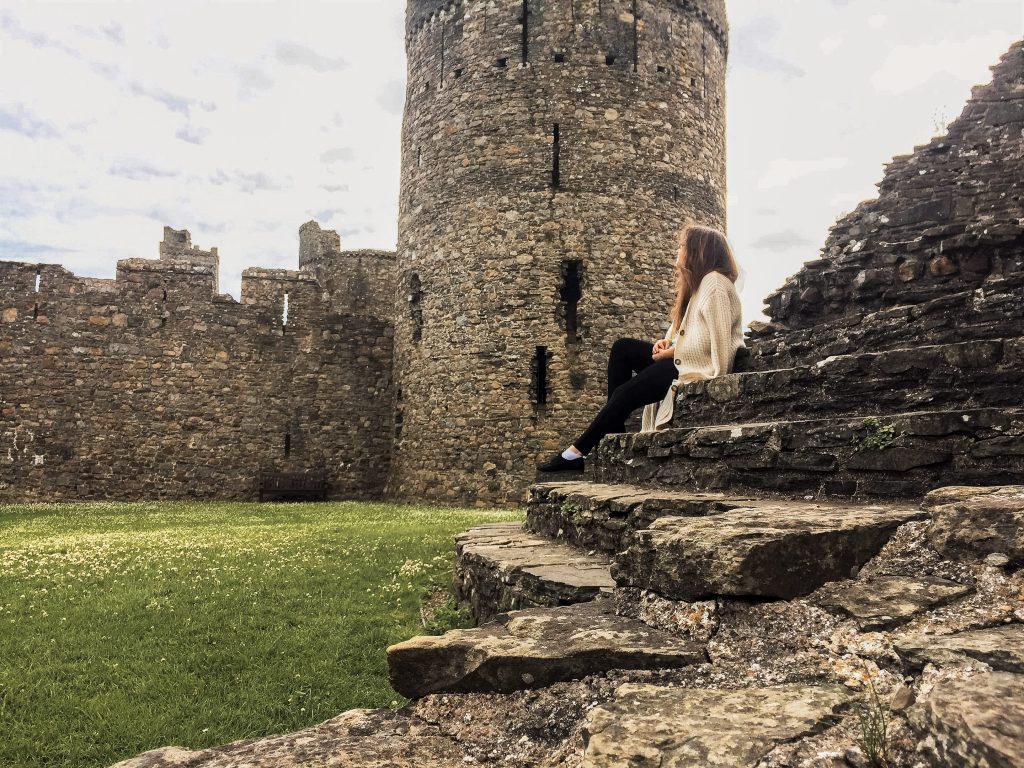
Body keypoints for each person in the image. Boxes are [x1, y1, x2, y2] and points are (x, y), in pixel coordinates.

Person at [538, 223, 744, 473]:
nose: (677, 252)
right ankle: (612, 430)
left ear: (698, 251)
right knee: (623, 349)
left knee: (624, 394)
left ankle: (575, 453)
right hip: (679, 360)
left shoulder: (715, 283)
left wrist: (676, 355)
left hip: (692, 369)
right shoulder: (699, 286)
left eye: (682, 246)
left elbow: (718, 343)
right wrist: (665, 344)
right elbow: (683, 335)